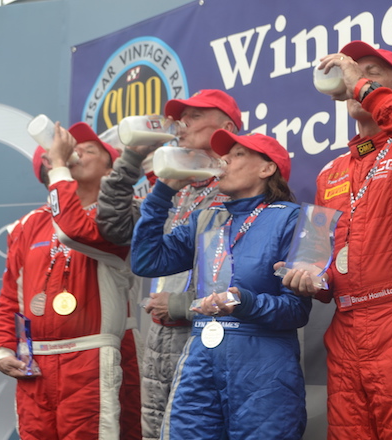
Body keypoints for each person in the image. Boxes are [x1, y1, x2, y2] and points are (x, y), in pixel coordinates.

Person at [275, 40, 392, 440]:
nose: (353, 78)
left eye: (370, 72)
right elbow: (316, 262)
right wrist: (307, 277)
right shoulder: (329, 171)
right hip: (345, 329)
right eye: (352, 71)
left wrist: (364, 88)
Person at [131, 130, 311, 440]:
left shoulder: (292, 219)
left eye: (238, 154)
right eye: (225, 154)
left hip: (263, 364)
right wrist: (162, 193)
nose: (224, 160)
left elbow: (297, 310)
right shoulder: (206, 218)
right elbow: (147, 261)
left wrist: (246, 303)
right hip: (201, 353)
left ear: (267, 168)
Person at [95, 89, 242, 440]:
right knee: (157, 431)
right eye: (181, 117)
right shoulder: (174, 186)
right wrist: (132, 157)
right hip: (160, 334)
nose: (182, 124)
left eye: (194, 116)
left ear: (226, 128)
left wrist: (182, 304)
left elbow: (245, 277)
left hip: (210, 334)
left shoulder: (240, 190)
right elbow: (113, 227)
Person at [0, 121, 137, 440]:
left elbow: (74, 231)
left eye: (89, 149)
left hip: (90, 358)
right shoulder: (27, 225)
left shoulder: (119, 219)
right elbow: (11, 296)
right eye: (73, 148)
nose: (76, 152)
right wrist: (3, 349)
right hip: (34, 364)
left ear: (110, 170)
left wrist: (59, 164)